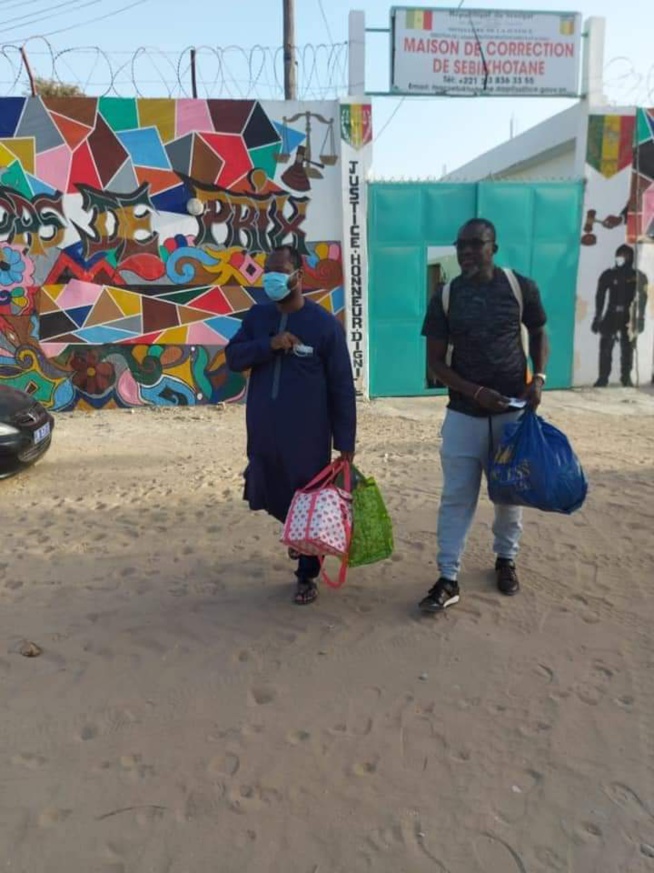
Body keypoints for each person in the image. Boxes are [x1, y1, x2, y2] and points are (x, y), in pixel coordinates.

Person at [418, 218, 549, 614]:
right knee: (456, 498)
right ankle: (448, 577)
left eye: (476, 244)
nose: (467, 252)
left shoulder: (519, 287)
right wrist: (475, 391)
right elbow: (436, 364)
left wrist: (538, 378)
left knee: (509, 494)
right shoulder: (446, 296)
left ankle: (505, 560)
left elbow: (540, 331)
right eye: (461, 245)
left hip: (512, 415)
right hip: (463, 415)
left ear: (495, 246)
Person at [225, 244, 356, 606]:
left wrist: (346, 443)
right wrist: (270, 344)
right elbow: (233, 357)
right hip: (264, 432)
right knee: (272, 494)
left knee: (309, 502)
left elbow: (342, 387)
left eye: (280, 270)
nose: (272, 277)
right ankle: (297, 538)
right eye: (268, 269)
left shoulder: (324, 326)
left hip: (308, 435)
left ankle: (306, 576)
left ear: (299, 275)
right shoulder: (257, 318)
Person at [591, 244, 648, 388]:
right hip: (611, 313)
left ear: (631, 258)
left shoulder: (637, 276)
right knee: (605, 347)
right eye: (619, 255)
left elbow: (643, 298)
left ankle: (626, 377)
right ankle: (603, 378)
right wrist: (597, 318)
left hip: (627, 316)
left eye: (625, 255)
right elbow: (600, 297)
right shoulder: (608, 274)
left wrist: (640, 319)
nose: (621, 258)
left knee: (627, 348)